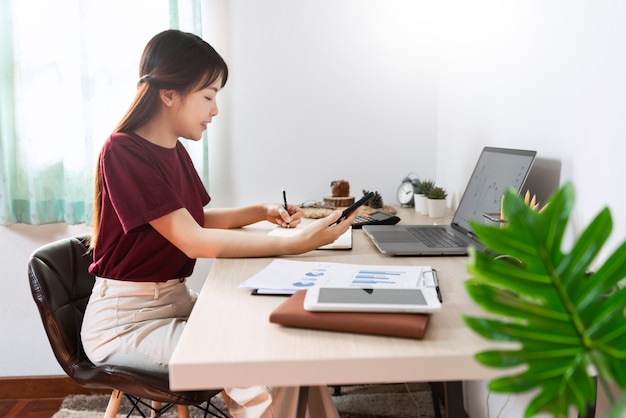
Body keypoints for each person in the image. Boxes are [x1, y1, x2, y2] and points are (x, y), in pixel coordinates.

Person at [81, 29, 356, 418]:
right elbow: (192, 240)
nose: (215, 110)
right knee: (248, 363)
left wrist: (261, 211)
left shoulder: (174, 150)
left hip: (173, 303)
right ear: (169, 94)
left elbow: (192, 220)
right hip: (127, 324)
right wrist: (295, 243)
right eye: (208, 97)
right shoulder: (123, 150)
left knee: (287, 345)